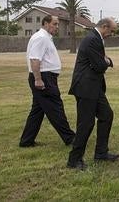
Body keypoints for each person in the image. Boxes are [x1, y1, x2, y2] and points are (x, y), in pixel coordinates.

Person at [66, 17, 119, 170]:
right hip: (85, 87)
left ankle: (101, 153)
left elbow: (99, 62)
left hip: (94, 87)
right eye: (111, 30)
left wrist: (104, 61)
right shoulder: (92, 40)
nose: (112, 34)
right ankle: (74, 160)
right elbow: (99, 65)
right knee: (86, 123)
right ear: (104, 27)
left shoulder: (96, 38)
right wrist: (107, 62)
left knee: (106, 115)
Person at [19, 15, 76, 147]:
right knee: (56, 108)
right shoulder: (41, 38)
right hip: (44, 77)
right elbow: (34, 59)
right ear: (45, 23)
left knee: (37, 111)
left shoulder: (44, 38)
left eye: (57, 24)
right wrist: (38, 79)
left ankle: (26, 141)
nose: (57, 27)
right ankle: (70, 138)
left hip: (46, 77)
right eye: (55, 24)